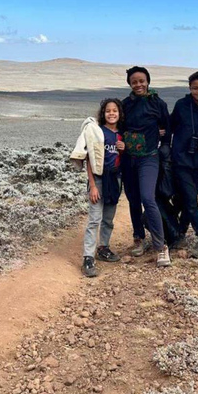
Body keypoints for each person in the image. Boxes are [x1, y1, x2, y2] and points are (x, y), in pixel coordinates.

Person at [121, 66, 171, 267]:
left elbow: (167, 129)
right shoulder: (125, 104)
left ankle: (161, 247)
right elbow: (118, 127)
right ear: (130, 84)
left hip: (149, 157)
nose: (138, 84)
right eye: (134, 82)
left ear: (148, 81)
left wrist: (164, 145)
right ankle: (138, 239)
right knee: (133, 200)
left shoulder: (158, 103)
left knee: (147, 198)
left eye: (142, 80)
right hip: (128, 159)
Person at [70, 99, 125, 277]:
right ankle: (88, 257)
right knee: (94, 219)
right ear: (103, 113)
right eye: (108, 111)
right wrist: (92, 186)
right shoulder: (97, 132)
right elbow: (89, 160)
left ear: (119, 113)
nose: (111, 113)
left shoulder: (122, 134)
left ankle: (103, 248)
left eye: (114, 110)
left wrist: (124, 149)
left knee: (108, 218)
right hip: (99, 180)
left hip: (115, 180)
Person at [170, 71, 198, 258]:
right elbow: (169, 128)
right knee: (190, 198)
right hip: (181, 160)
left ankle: (179, 233)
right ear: (190, 88)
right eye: (195, 88)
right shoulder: (181, 105)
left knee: (188, 199)